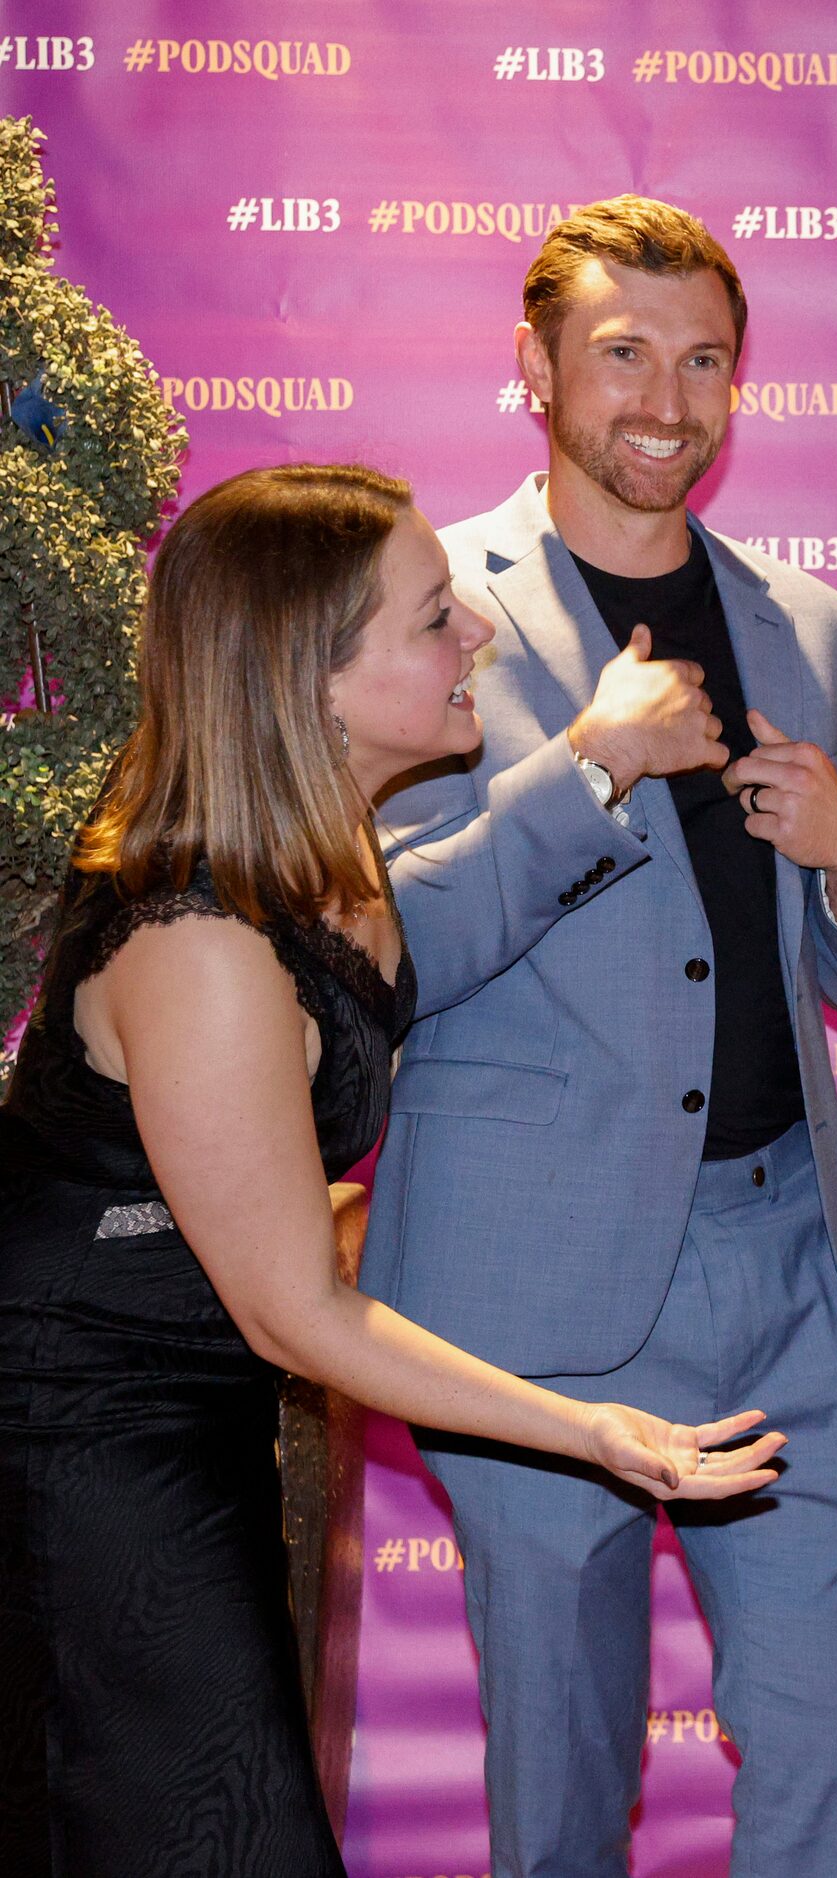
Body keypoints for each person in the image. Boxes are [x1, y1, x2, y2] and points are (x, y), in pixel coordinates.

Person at [0, 464, 782, 1877]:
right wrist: (600, 1429)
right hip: (77, 1446)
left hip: (197, 1411)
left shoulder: (325, 854)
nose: (478, 629)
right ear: (315, 678)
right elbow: (298, 1313)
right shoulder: (200, 939)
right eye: (433, 618)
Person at [361, 198, 837, 1878]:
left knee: (829, 1767)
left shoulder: (815, 629)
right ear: (532, 367)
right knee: (567, 1793)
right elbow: (387, 955)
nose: (665, 401)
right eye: (621, 354)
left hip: (795, 1281)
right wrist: (591, 769)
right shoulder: (426, 605)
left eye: (702, 361)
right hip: (529, 1305)